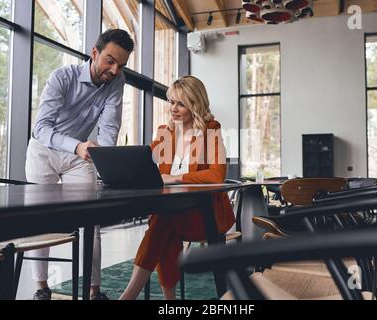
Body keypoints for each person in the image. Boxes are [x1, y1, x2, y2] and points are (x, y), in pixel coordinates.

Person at [25, 29, 134, 300]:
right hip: (44, 152)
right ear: (94, 53)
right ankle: (41, 288)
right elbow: (41, 128)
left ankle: (93, 291)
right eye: (110, 60)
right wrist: (76, 145)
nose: (114, 69)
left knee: (91, 219)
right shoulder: (62, 77)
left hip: (79, 156)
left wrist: (108, 163)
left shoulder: (117, 81)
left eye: (121, 64)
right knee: (41, 220)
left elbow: (109, 128)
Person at [119, 76, 235, 300]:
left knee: (162, 221)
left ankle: (129, 297)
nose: (173, 108)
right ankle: (168, 302)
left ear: (195, 103)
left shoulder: (211, 130)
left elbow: (216, 174)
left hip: (204, 214)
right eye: (171, 102)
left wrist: (176, 178)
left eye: (180, 103)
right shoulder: (165, 132)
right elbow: (144, 163)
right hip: (171, 211)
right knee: (165, 223)